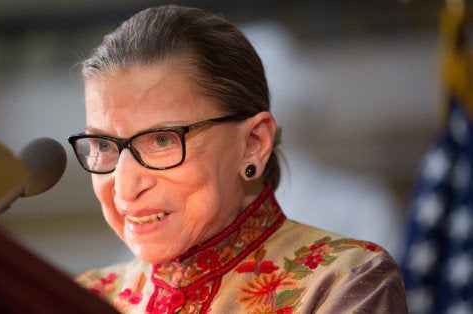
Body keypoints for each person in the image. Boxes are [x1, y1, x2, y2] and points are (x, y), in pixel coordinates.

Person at [68, 5, 407, 313]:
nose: (125, 188)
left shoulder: (342, 281)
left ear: (253, 143)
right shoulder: (86, 297)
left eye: (161, 140)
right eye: (103, 145)